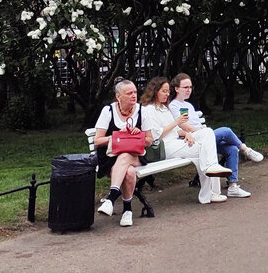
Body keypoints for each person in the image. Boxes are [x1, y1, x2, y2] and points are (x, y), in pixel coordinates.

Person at [139, 77, 231, 204]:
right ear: (155, 91)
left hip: (177, 142)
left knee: (208, 132)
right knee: (203, 151)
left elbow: (176, 130)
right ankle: (211, 193)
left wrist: (186, 133)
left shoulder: (164, 108)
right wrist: (176, 122)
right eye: (164, 91)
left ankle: (210, 188)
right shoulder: (148, 110)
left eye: (168, 91)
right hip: (164, 147)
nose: (167, 94)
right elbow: (156, 136)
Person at [167, 74, 257, 200]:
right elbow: (184, 126)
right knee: (226, 131)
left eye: (190, 87)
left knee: (231, 149)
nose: (188, 90)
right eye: (185, 87)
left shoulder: (188, 105)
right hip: (193, 139)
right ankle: (245, 149)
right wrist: (202, 131)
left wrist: (204, 131)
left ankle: (233, 186)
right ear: (176, 88)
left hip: (203, 137)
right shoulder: (174, 106)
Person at [94, 79, 150, 226]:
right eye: (129, 93)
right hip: (110, 157)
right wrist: (119, 136)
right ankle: (127, 210)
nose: (134, 96)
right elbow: (97, 140)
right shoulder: (108, 111)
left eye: (135, 92)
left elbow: (149, 140)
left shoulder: (142, 111)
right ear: (119, 96)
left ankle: (111, 199)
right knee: (129, 173)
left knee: (125, 155)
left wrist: (137, 135)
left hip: (136, 155)